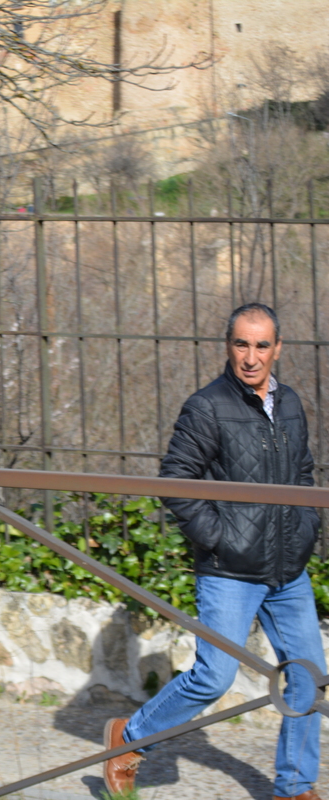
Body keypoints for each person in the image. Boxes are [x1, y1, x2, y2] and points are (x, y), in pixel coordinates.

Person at [103, 303, 326, 800]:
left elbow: (304, 474)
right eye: (241, 344)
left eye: (261, 345)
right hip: (230, 570)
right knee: (214, 677)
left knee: (309, 676)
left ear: (277, 349)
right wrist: (223, 538)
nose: (251, 357)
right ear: (228, 346)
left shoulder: (289, 402)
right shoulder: (207, 405)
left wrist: (307, 527)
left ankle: (295, 787)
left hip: (288, 570)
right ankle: (130, 738)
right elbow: (175, 482)